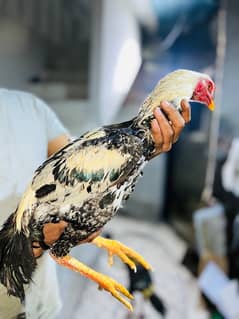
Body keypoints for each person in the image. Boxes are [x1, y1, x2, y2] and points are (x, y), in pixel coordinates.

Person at [0, 88, 190, 319]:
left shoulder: (29, 106)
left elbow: (82, 165)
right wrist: (37, 241)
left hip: (41, 305)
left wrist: (144, 148)